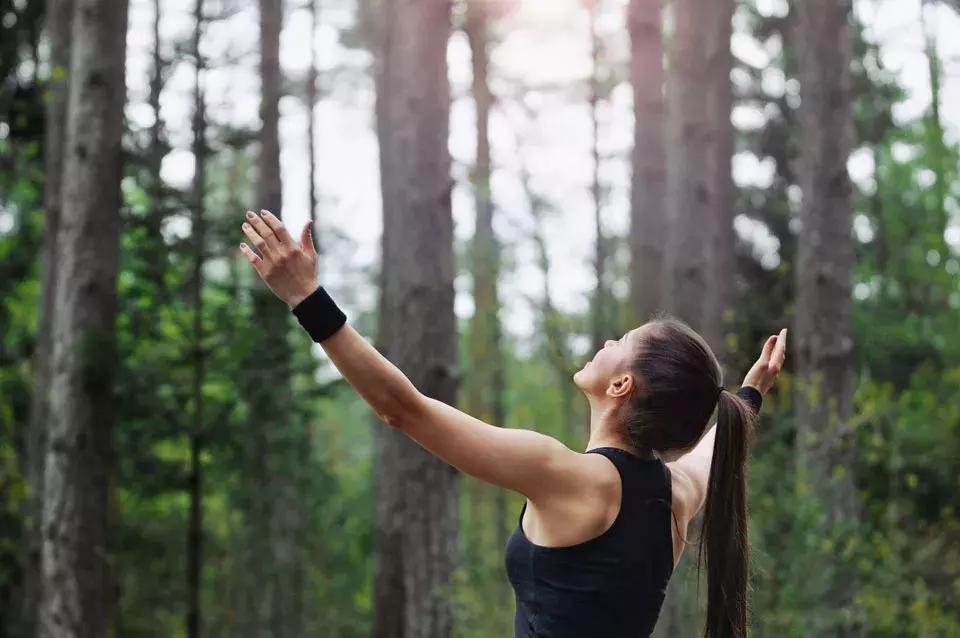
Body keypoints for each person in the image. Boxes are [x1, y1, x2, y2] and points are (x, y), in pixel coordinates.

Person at [238, 209, 787, 638]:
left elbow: (402, 408)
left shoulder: (569, 477)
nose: (607, 342)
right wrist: (749, 392)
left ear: (622, 386)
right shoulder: (677, 494)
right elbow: (716, 445)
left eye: (622, 344)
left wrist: (307, 298)